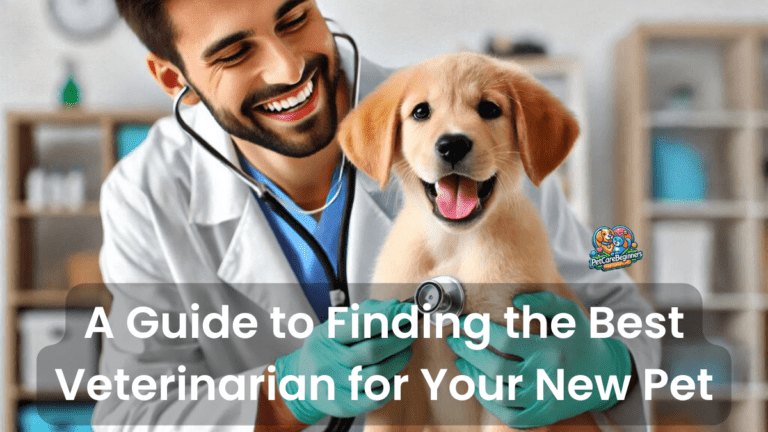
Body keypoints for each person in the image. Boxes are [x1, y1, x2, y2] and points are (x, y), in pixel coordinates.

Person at [93, 0, 660, 430]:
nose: (288, 68)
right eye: (235, 52)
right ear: (175, 79)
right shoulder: (148, 193)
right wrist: (285, 393)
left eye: (293, 18)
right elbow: (129, 412)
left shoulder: (471, 130)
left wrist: (605, 366)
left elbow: (625, 308)